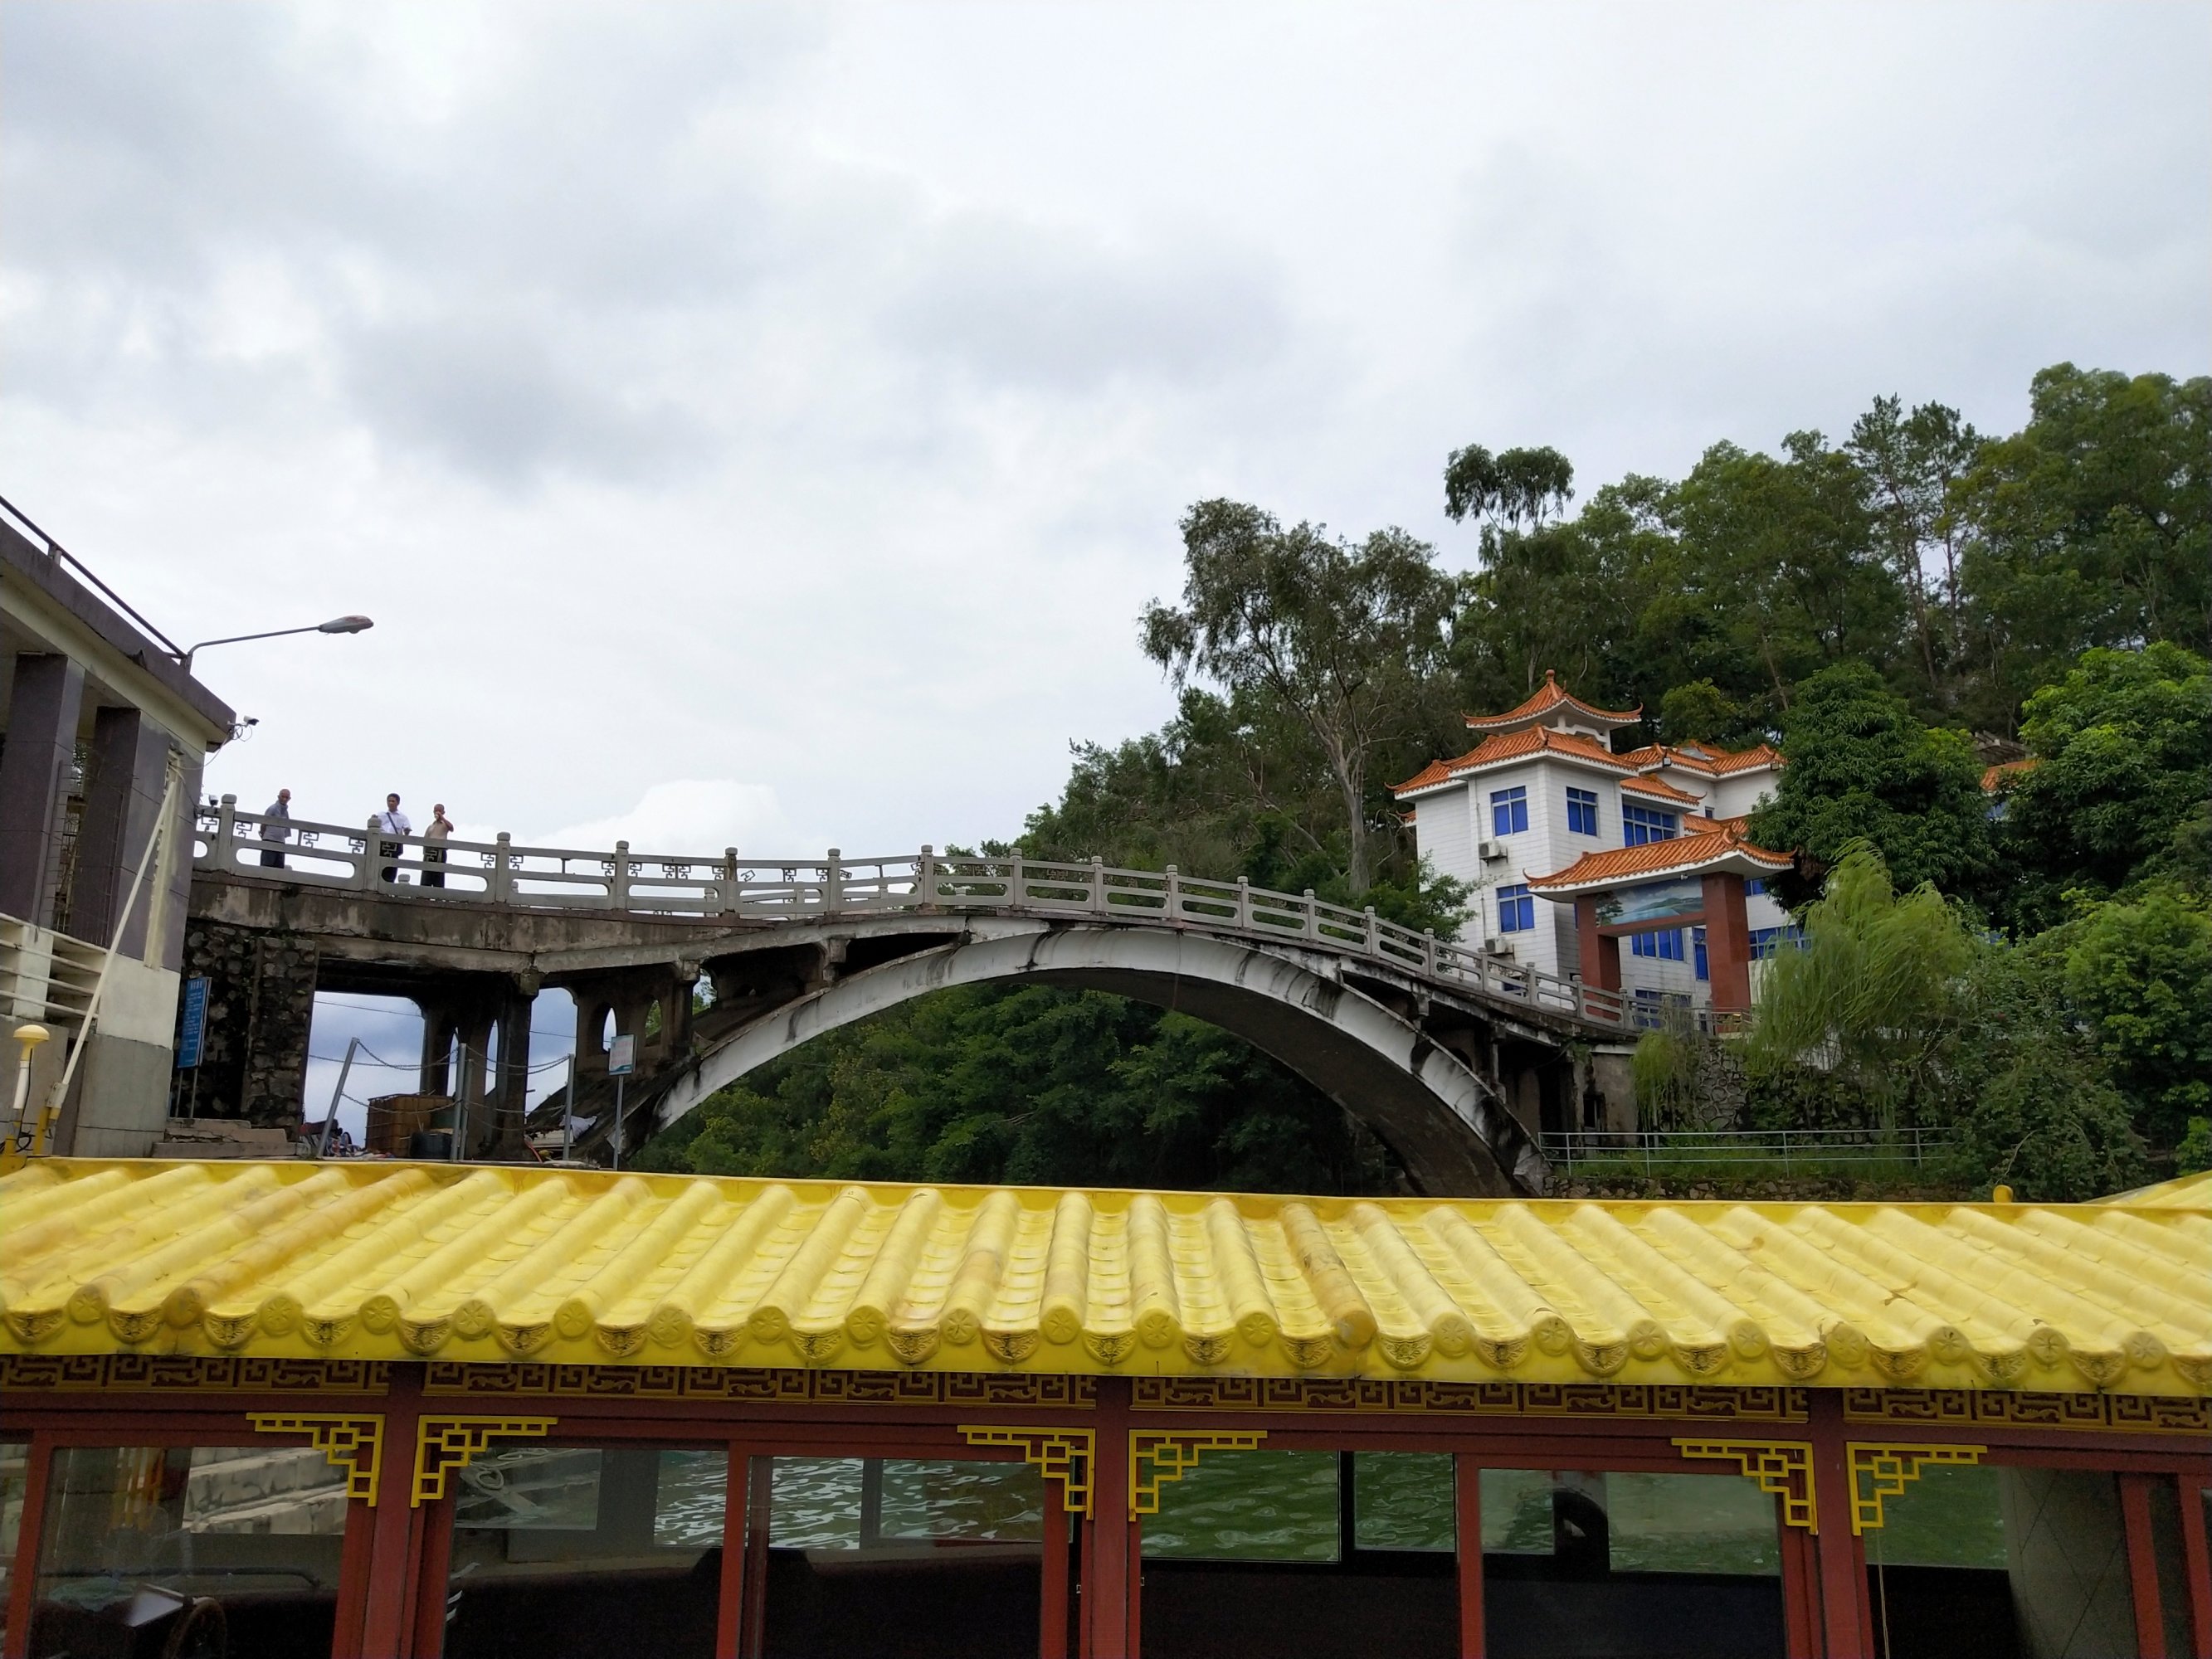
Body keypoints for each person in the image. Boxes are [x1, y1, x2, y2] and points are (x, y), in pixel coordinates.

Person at [375, 793, 412, 884]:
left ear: (398, 803)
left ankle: (389, 886)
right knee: (378, 866)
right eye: (389, 801)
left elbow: (407, 829)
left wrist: (406, 831)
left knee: (391, 867)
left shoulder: (403, 817)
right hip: (382, 843)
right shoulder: (380, 815)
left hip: (394, 845)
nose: (391, 803)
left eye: (393, 801)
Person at [259, 788, 292, 868]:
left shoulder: (286, 812)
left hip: (281, 841)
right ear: (278, 797)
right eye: (283, 797)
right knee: (267, 865)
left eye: (286, 797)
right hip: (270, 840)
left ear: (289, 799)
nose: (284, 799)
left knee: (279, 867)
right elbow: (263, 823)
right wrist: (264, 836)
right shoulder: (272, 808)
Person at [422, 803, 454, 888]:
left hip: (440, 852)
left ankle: (438, 892)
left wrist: (442, 818)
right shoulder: (431, 826)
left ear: (443, 812)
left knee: (439, 875)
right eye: (436, 811)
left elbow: (451, 828)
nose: (437, 812)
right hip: (429, 853)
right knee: (426, 876)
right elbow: (425, 840)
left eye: (439, 811)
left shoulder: (445, 824)